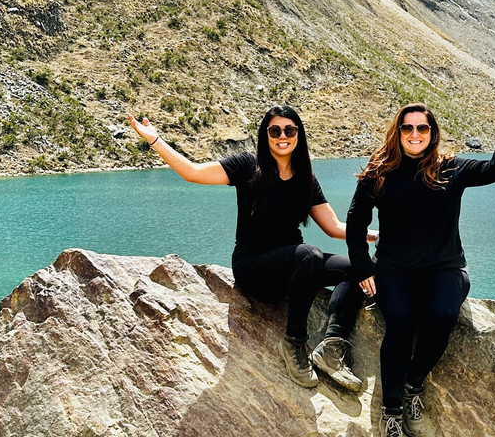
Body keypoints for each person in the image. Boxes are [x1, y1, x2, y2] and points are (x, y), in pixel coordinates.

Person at [128, 105, 375, 391]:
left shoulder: (305, 176)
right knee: (310, 255)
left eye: (289, 130)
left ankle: (332, 345)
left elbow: (333, 226)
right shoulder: (248, 165)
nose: (282, 136)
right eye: (275, 130)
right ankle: (294, 343)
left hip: (294, 263)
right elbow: (193, 173)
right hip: (253, 267)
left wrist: (376, 235)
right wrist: (155, 140)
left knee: (359, 269)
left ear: (298, 134)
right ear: (265, 135)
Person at [346, 99, 495, 437]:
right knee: (399, 324)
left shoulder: (451, 169)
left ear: (432, 133)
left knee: (441, 316)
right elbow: (356, 221)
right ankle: (392, 410)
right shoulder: (379, 171)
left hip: (444, 268)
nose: (415, 134)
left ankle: (414, 383)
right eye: (408, 127)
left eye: (422, 128)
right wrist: (361, 268)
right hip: (393, 269)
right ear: (398, 132)